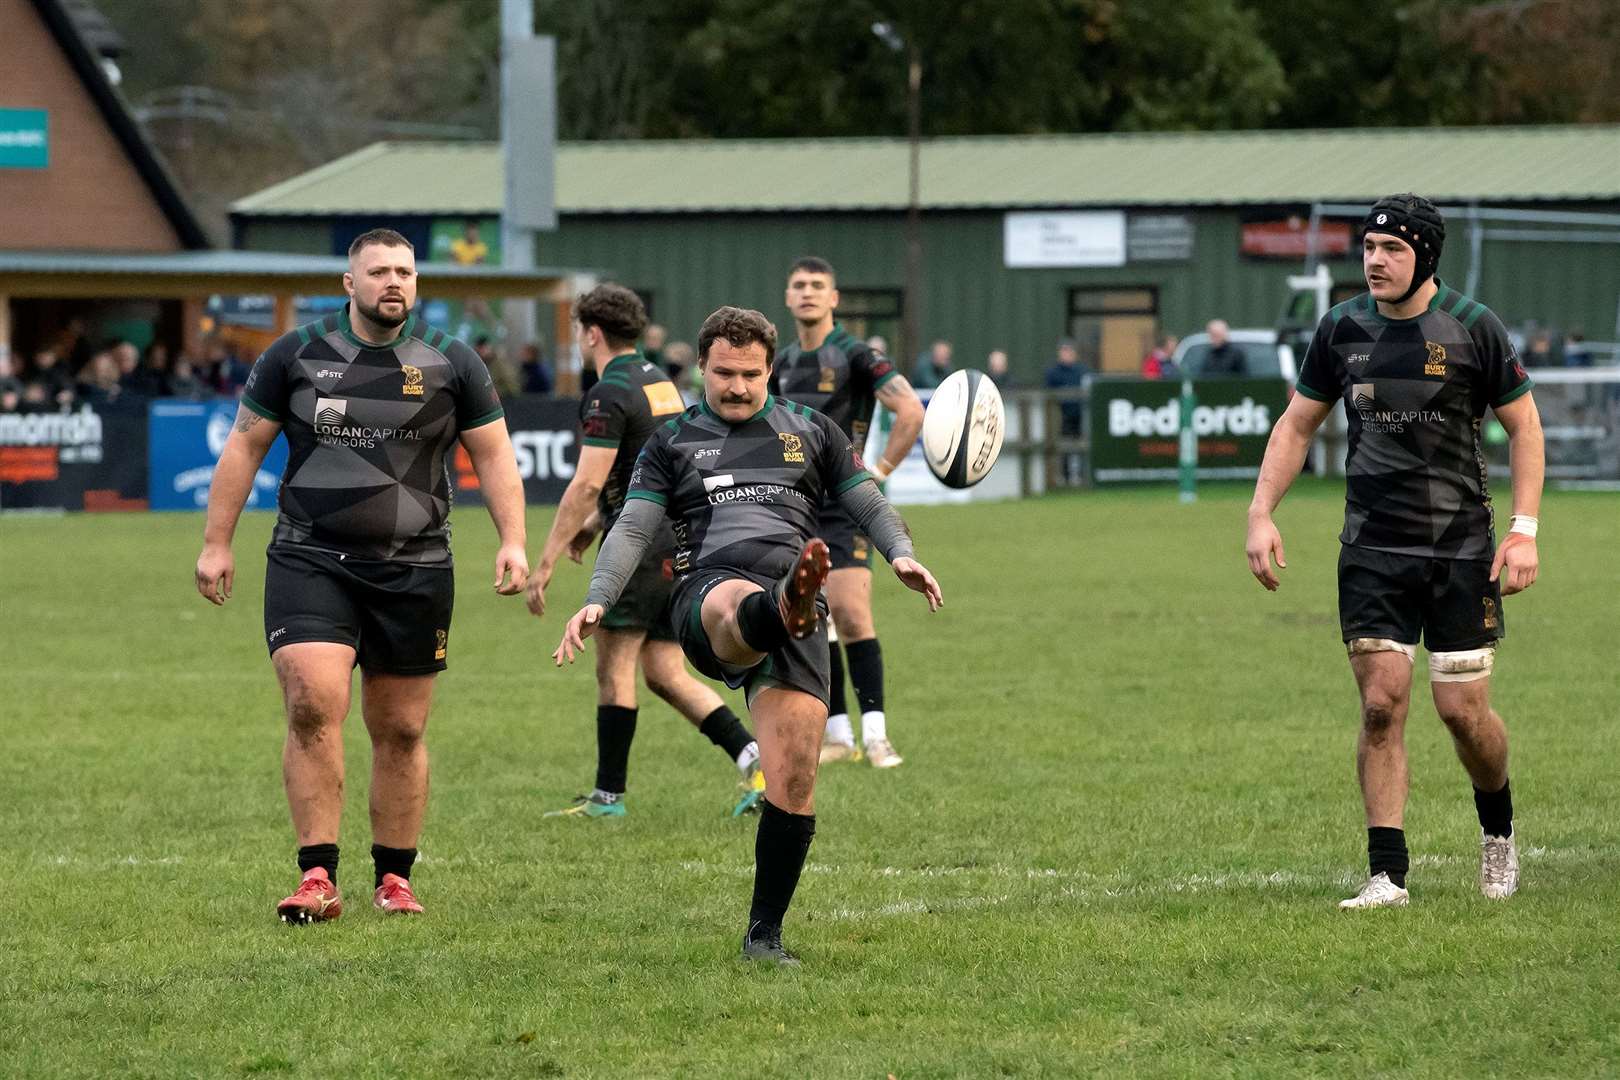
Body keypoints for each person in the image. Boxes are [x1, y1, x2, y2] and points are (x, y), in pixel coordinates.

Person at [553, 306, 942, 965]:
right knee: (737, 607)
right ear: (700, 367)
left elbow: (867, 500)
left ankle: (765, 936)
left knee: (792, 778)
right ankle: (783, 604)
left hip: (797, 604)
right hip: (706, 592)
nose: (736, 386)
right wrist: (597, 599)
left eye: (751, 375)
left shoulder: (812, 432)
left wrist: (899, 552)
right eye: (724, 374)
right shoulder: (671, 441)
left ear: (770, 371)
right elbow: (632, 527)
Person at [194, 227, 529, 924]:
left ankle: (394, 879)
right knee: (313, 701)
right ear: (350, 284)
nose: (394, 282)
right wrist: (215, 543)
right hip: (310, 556)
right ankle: (316, 874)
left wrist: (514, 541)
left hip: (416, 567)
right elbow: (244, 445)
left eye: (404, 271)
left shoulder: (451, 362)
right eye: (379, 271)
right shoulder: (295, 355)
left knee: (400, 727)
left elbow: (494, 456)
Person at [1245, 194, 1543, 910]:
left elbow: (1526, 429)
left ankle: (1498, 832)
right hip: (1373, 548)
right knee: (1382, 705)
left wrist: (1524, 529)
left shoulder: (1474, 329)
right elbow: (1294, 427)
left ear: (1426, 258)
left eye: (1393, 249)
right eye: (1369, 247)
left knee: (1463, 714)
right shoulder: (1341, 328)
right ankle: (1387, 873)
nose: (1375, 260)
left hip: (1461, 553)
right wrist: (1261, 513)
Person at [526, 284, 764, 818]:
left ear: (591, 333)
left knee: (615, 667)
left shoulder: (608, 391)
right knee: (664, 672)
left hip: (640, 543)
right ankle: (755, 759)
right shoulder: (661, 383)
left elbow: (587, 482)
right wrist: (597, 521)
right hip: (677, 539)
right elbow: (650, 467)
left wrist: (545, 562)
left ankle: (608, 798)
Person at [770, 256, 926, 768]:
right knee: (814, 618)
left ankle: (877, 735)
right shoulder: (783, 361)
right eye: (799, 285)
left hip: (846, 506)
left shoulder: (857, 355)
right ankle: (838, 735)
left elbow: (911, 410)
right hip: (797, 507)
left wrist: (878, 471)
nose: (808, 293)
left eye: (818, 285)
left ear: (834, 298)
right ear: (788, 298)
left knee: (853, 614)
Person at [1043, 339, 1088, 484]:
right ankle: (1065, 476)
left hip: (1081, 414)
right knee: (1063, 446)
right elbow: (1048, 393)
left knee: (1083, 444)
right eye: (1064, 351)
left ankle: (1082, 475)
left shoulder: (1082, 371)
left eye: (1069, 351)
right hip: (1061, 414)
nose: (1067, 354)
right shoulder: (1053, 372)